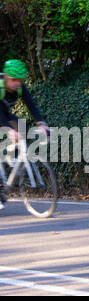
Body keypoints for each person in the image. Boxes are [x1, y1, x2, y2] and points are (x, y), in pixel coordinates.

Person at [1, 59, 48, 209]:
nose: (16, 83)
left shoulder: (20, 87)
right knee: (11, 129)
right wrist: (9, 129)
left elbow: (31, 105)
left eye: (19, 80)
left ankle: (12, 158)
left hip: (4, 114)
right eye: (14, 80)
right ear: (6, 77)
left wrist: (41, 123)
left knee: (21, 126)